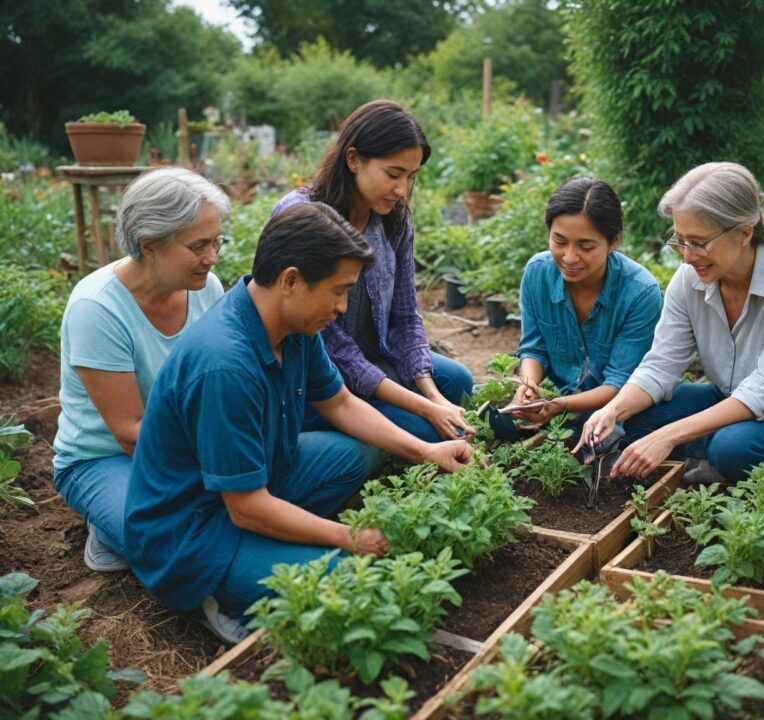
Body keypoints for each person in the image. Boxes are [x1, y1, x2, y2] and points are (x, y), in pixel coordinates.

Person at [123, 202, 473, 644]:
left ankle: (279, 544)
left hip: (258, 479)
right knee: (350, 582)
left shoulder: (292, 324)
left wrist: (427, 451)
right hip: (192, 532)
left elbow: (341, 403)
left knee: (358, 453)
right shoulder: (225, 364)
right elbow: (246, 507)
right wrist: (351, 537)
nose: (343, 306)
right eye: (338, 290)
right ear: (291, 280)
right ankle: (217, 597)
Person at [576, 162, 764, 483]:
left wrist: (670, 435)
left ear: (743, 232)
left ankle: (708, 460)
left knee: (732, 448)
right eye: (679, 240)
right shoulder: (690, 280)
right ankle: (707, 458)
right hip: (733, 402)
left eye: (699, 242)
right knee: (621, 419)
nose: (687, 257)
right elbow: (661, 365)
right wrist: (613, 410)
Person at [53, 168, 230, 573]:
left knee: (323, 468)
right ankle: (109, 516)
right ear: (149, 245)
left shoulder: (208, 290)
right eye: (199, 245)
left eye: (217, 241)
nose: (213, 257)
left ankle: (120, 528)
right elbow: (132, 433)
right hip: (105, 459)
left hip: (182, 440)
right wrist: (224, 464)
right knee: (174, 534)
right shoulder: (98, 309)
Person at [271, 100, 474, 443]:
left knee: (457, 382)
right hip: (322, 378)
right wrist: (427, 409)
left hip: (374, 359)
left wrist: (434, 396)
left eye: (411, 177)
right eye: (393, 175)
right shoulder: (304, 217)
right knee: (428, 430)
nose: (402, 190)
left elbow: (406, 317)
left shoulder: (393, 220)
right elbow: (336, 351)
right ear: (353, 159)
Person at [491, 177, 662, 442]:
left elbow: (618, 382)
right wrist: (528, 386)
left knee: (601, 437)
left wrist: (561, 405)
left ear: (613, 241)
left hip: (609, 405)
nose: (569, 258)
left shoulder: (640, 292)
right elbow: (533, 348)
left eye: (586, 246)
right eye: (559, 241)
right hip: (556, 399)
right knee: (497, 419)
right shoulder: (538, 272)